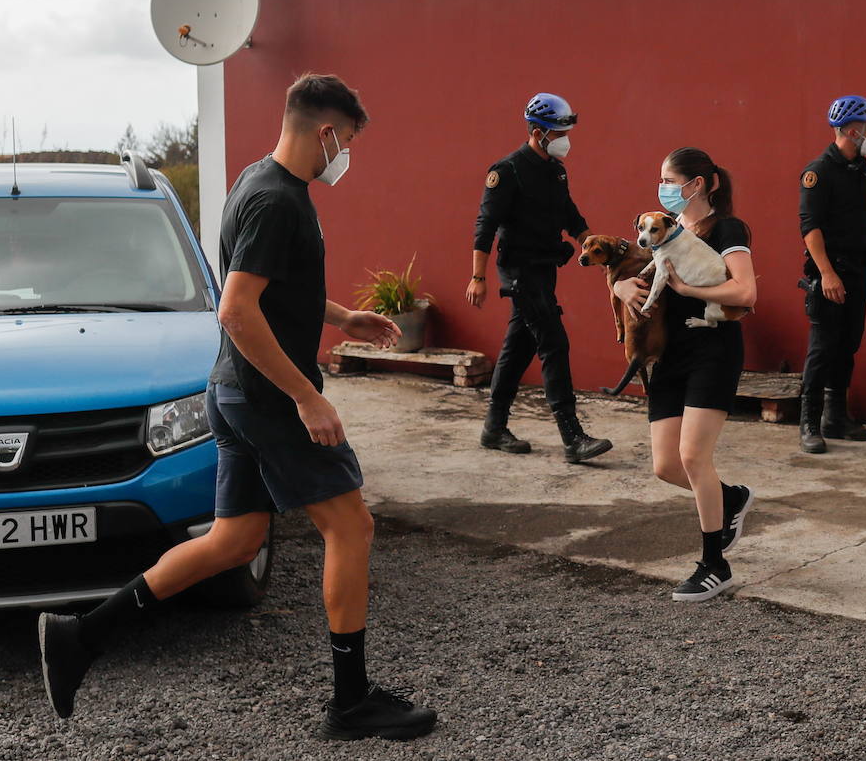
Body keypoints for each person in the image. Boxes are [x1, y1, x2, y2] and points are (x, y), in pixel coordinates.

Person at [36, 74, 438, 741]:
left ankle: (80, 636)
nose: (346, 158)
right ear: (326, 133)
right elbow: (236, 309)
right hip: (264, 398)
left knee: (234, 541)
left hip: (231, 391)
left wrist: (338, 317)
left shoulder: (256, 181)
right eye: (348, 143)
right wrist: (305, 396)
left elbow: (263, 285)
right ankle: (350, 702)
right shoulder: (278, 200)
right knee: (352, 528)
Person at [613, 148, 757, 601]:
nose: (663, 188)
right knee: (667, 466)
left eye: (669, 180)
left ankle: (715, 564)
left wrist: (685, 289)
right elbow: (630, 273)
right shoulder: (661, 231)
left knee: (695, 458)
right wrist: (619, 285)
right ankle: (730, 498)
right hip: (669, 355)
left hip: (712, 349)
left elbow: (745, 291)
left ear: (696, 184)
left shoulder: (726, 228)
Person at [466, 92, 613, 463]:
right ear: (536, 132)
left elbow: (568, 212)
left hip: (545, 268)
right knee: (553, 341)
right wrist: (477, 276)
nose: (565, 138)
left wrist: (589, 242)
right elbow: (486, 225)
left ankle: (494, 428)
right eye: (557, 131)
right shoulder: (508, 170)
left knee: (519, 348)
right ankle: (572, 437)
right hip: (519, 270)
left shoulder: (555, 169)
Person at [796, 95, 866, 454]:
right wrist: (828, 274)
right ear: (853, 130)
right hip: (829, 274)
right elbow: (810, 227)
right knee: (822, 347)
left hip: (858, 268)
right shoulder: (818, 172)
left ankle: (836, 418)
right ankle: (809, 422)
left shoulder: (861, 168)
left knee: (849, 343)